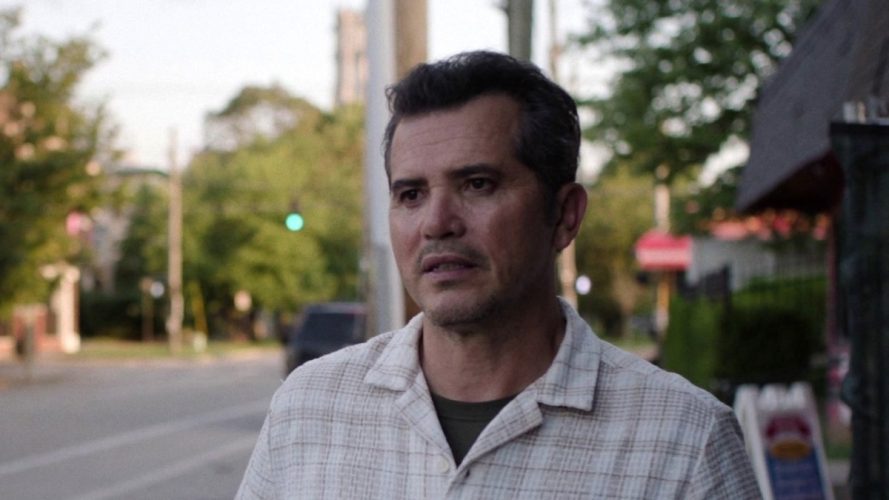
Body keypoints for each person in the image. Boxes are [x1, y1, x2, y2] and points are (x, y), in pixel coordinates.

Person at [236, 51, 761, 499]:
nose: (437, 223)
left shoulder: (686, 443)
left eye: (478, 184)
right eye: (411, 194)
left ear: (565, 215)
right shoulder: (308, 408)